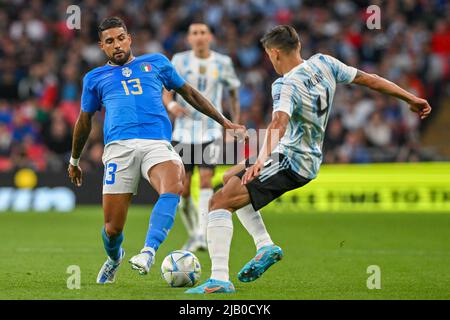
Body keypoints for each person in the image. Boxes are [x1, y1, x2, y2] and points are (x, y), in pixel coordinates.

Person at [186, 25, 432, 294]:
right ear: (299, 46)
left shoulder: (285, 84)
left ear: (276, 53)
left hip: (291, 160)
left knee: (218, 201)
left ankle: (219, 279)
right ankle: (265, 245)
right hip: (306, 156)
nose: (270, 61)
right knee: (229, 178)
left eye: (269, 56)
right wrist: (411, 98)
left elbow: (279, 122)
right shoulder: (325, 62)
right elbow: (369, 78)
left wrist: (260, 159)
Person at [67, 17, 245, 284]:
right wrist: (74, 159)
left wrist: (224, 121)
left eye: (120, 38)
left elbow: (190, 93)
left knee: (173, 185)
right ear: (102, 46)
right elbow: (84, 121)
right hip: (119, 148)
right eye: (109, 41)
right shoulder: (94, 78)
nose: (116, 45)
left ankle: (148, 252)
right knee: (112, 229)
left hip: (157, 144)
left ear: (129, 38)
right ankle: (115, 258)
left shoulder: (157, 63)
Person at [163, 23, 241, 252]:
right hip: (183, 132)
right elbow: (166, 92)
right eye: (194, 33)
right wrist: (171, 105)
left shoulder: (222, 62)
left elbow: (234, 94)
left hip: (210, 131)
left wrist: (232, 123)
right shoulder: (178, 60)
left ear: (210, 37)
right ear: (188, 38)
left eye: (203, 33)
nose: (199, 37)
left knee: (206, 179)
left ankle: (202, 233)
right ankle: (194, 233)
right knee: (183, 191)